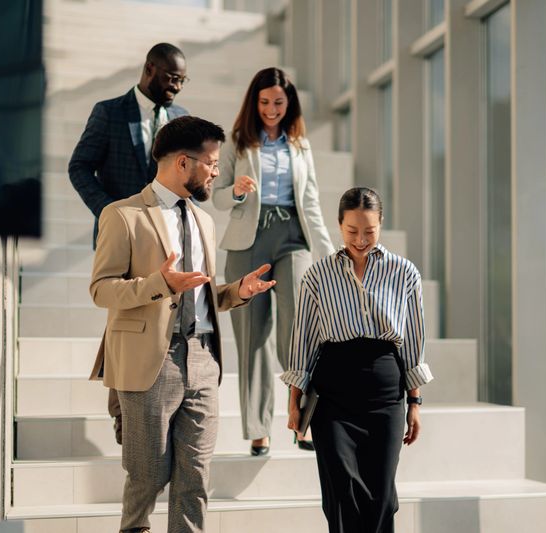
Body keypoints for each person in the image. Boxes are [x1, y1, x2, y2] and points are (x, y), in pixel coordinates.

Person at [88, 116, 275, 533]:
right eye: (210, 163)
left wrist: (237, 293)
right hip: (151, 362)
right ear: (183, 164)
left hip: (204, 358)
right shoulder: (123, 216)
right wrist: (158, 284)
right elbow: (101, 289)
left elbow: (202, 296)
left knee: (196, 480)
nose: (215, 171)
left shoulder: (204, 221)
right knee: (146, 477)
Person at [282, 187, 433, 533]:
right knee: (341, 492)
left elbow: (413, 341)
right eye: (352, 231)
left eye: (369, 230)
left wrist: (415, 403)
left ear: (381, 223)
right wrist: (294, 401)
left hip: (385, 394)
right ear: (339, 225)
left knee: (381, 496)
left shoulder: (405, 273)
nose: (361, 239)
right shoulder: (318, 276)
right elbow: (303, 340)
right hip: (332, 396)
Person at [69, 42, 189, 444]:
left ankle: (155, 398)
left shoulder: (181, 119)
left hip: (166, 237)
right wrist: (109, 212)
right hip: (121, 235)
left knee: (151, 321)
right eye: (172, 78)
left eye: (182, 81)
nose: (176, 88)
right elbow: (80, 166)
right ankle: (123, 410)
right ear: (150, 69)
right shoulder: (109, 112)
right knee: (124, 317)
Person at [212, 67, 334, 455]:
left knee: (298, 329)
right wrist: (237, 190)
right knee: (252, 338)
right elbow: (215, 197)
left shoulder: (300, 146)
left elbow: (310, 201)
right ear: (254, 102)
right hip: (248, 239)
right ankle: (258, 429)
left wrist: (328, 253)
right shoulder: (236, 142)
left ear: (289, 103)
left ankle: (302, 417)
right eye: (264, 102)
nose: (270, 109)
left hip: (292, 238)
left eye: (278, 102)